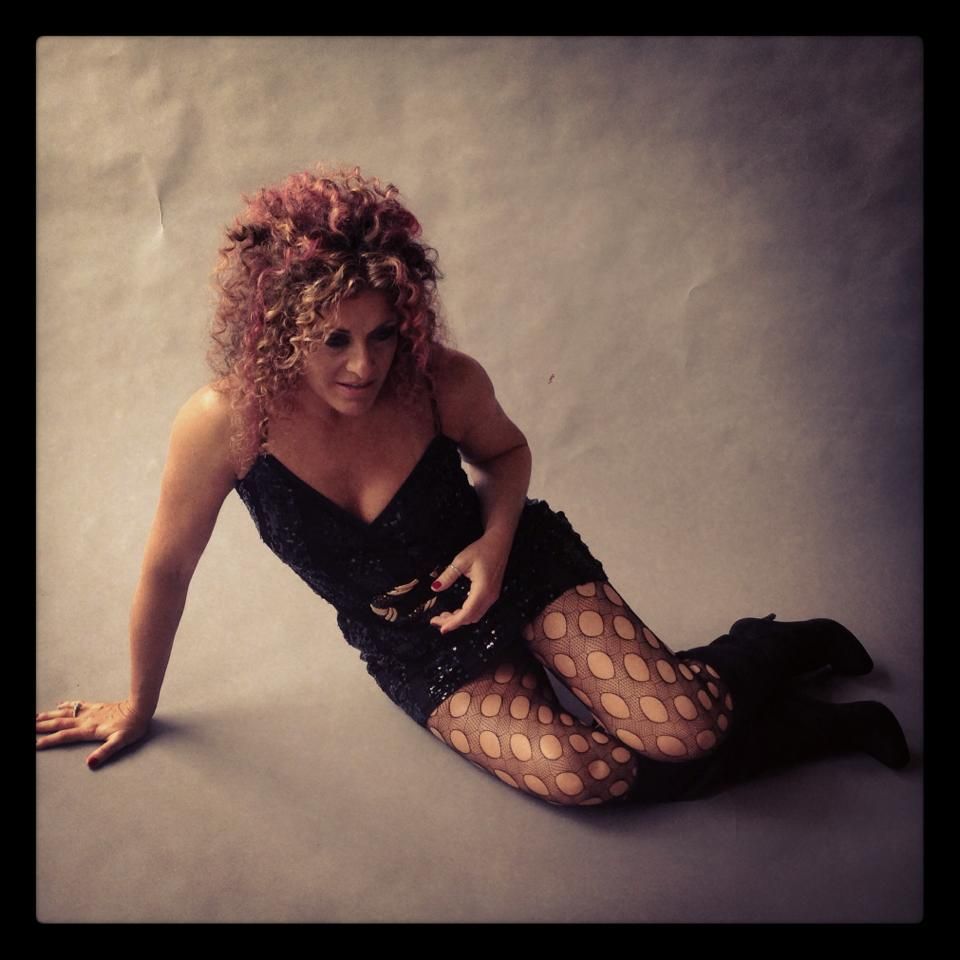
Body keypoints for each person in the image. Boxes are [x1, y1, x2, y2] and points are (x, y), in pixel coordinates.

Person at [36, 166, 910, 805]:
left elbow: (509, 456)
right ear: (276, 327)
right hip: (414, 638)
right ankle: (808, 732)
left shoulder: (438, 380)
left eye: (383, 334)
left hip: (517, 565)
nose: (364, 365)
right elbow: (168, 570)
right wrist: (140, 703)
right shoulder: (226, 423)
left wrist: (494, 545)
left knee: (684, 727)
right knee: (587, 775)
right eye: (334, 339)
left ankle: (768, 648)